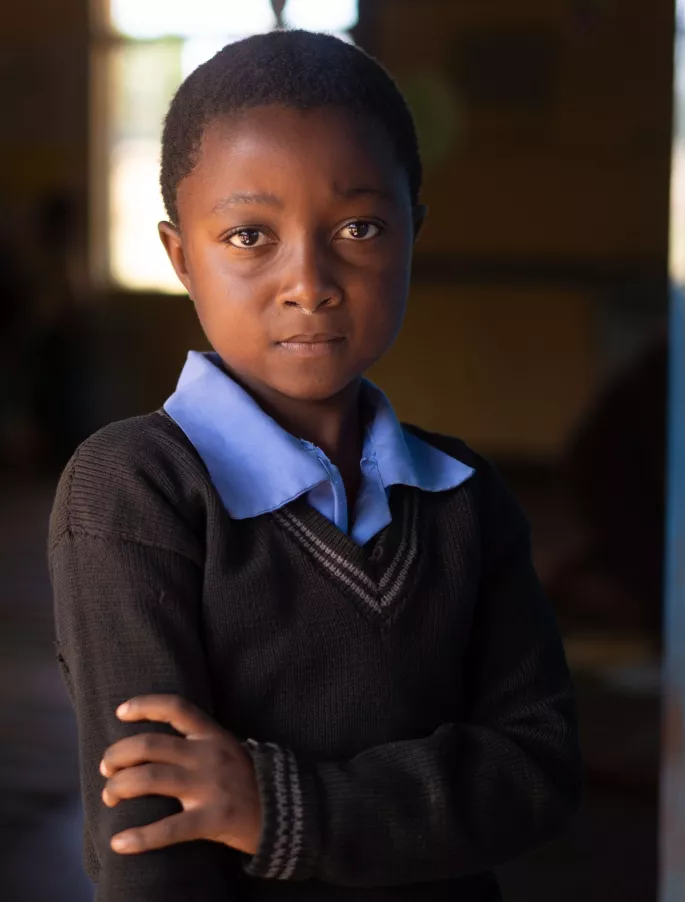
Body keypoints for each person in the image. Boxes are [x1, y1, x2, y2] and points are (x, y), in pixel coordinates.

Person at [48, 30, 581, 902]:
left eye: (359, 228)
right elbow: (153, 840)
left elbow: (537, 771)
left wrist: (284, 810)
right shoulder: (133, 489)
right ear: (182, 258)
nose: (310, 282)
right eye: (249, 235)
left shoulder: (465, 496)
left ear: (412, 235)